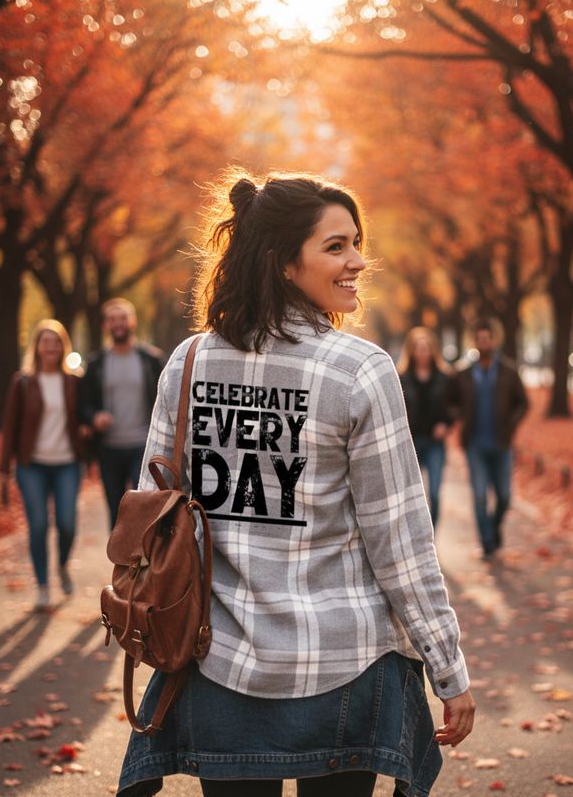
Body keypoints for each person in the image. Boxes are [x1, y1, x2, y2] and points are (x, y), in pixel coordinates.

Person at [117, 173, 475, 797]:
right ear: (284, 262)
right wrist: (448, 668)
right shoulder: (360, 371)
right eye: (336, 247)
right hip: (345, 670)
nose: (358, 261)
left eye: (356, 243)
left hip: (217, 661)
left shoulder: (190, 362)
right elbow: (401, 542)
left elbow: (155, 515)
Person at [0, 320, 84, 610]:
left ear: (63, 346)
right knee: (38, 525)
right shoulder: (23, 382)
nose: (50, 346)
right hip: (31, 466)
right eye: (45, 341)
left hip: (67, 465)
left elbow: (82, 418)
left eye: (55, 341)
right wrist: (2, 468)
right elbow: (9, 427)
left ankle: (61, 565)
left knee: (67, 524)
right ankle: (43, 586)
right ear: (36, 346)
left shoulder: (74, 381)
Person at [79, 299, 164, 530]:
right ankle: (119, 562)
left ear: (132, 322)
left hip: (144, 446)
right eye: (112, 319)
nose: (118, 324)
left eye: (123, 318)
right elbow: (84, 405)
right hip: (109, 448)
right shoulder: (97, 363)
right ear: (106, 325)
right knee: (115, 510)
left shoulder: (151, 360)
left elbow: (166, 400)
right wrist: (94, 417)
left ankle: (143, 561)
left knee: (143, 508)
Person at [449, 318, 529, 558]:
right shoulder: (463, 374)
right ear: (475, 341)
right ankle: (487, 543)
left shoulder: (508, 371)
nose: (484, 342)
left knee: (504, 496)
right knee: (480, 496)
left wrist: (511, 424)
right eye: (479, 339)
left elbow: (522, 403)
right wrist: (459, 416)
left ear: (494, 340)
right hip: (475, 444)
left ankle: (493, 529)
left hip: (501, 443)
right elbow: (450, 401)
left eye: (487, 338)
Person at [397, 327, 454, 527]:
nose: (423, 352)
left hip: (435, 444)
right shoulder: (401, 378)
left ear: (433, 350)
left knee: (435, 493)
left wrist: (446, 425)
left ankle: (431, 535)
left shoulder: (444, 377)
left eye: (426, 348)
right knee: (410, 495)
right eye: (419, 348)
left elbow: (454, 408)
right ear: (412, 351)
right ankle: (414, 535)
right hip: (410, 443)